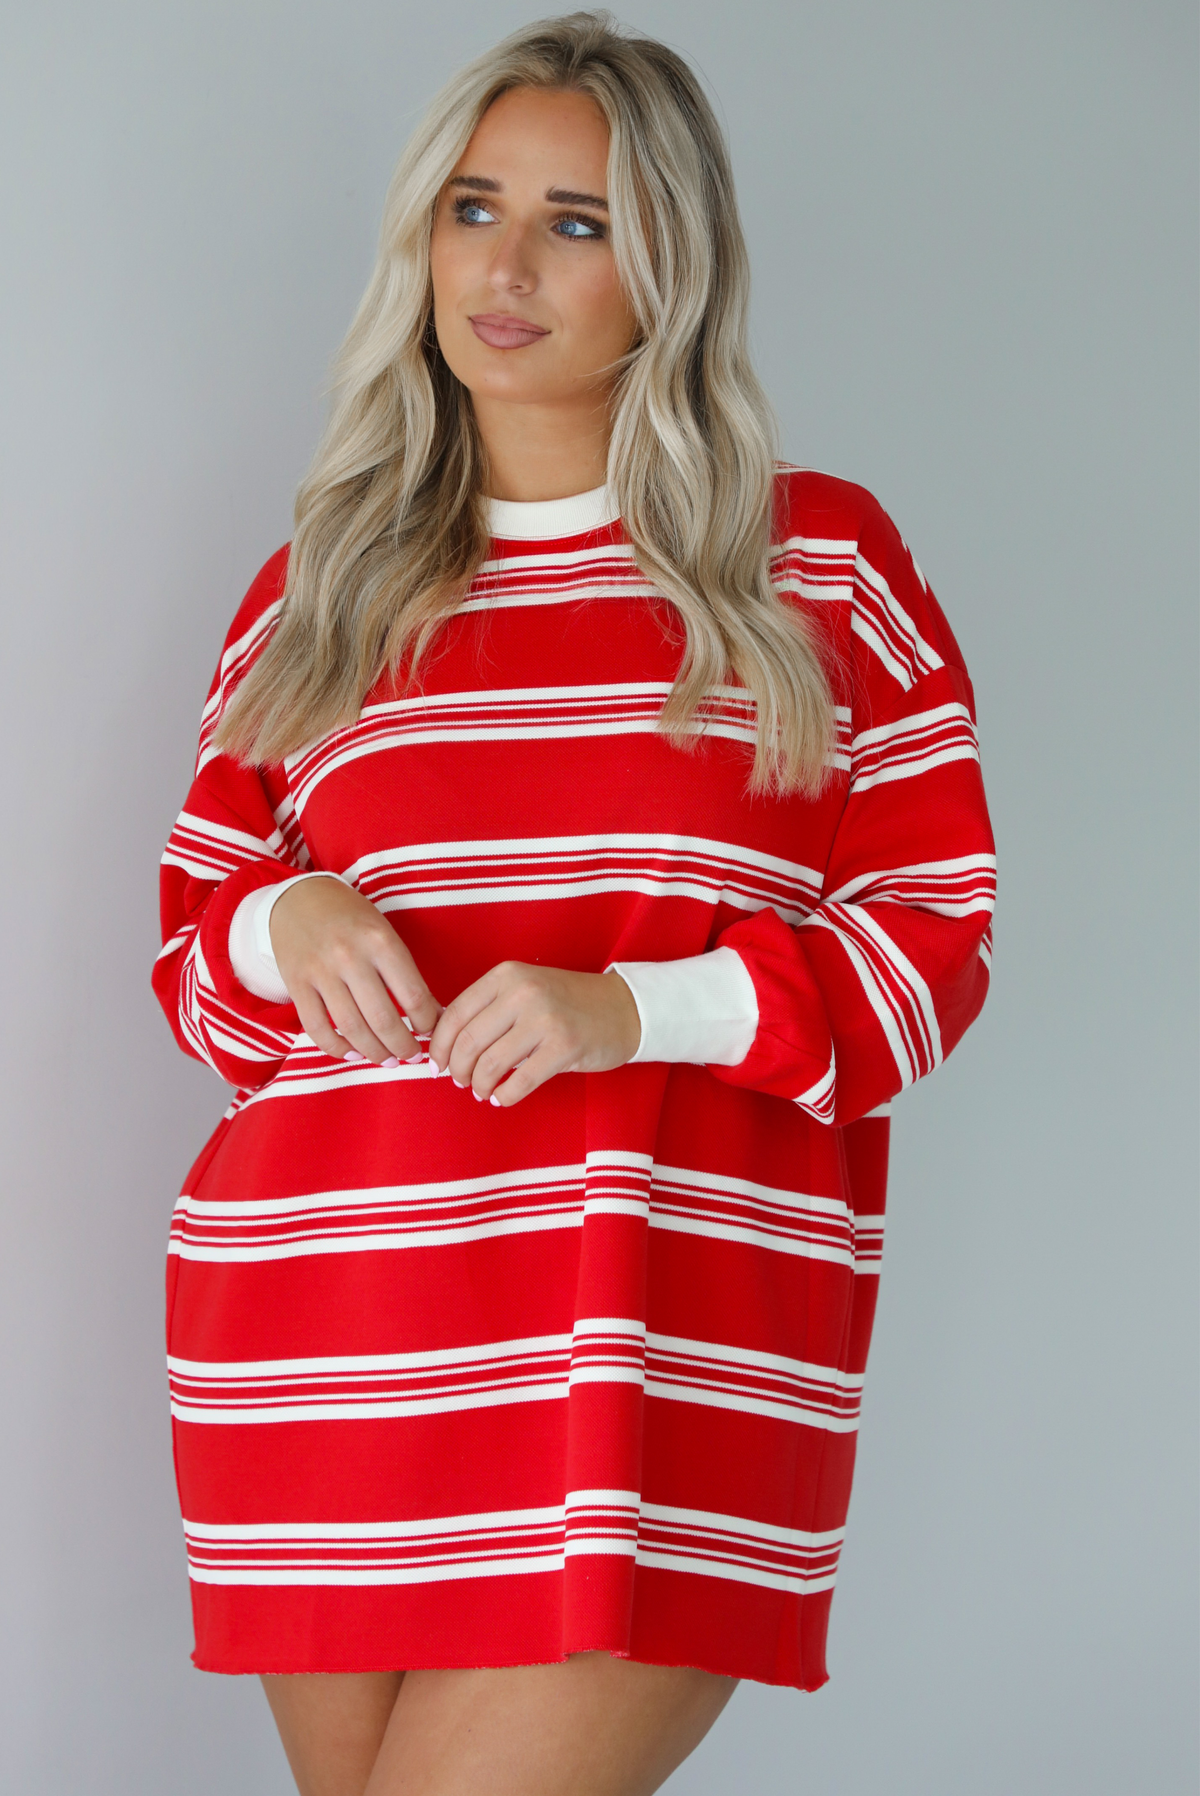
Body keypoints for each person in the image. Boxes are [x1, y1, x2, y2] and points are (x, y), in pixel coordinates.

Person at [152, 12, 996, 1794]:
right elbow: (197, 957)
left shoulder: (815, 565)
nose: (506, 265)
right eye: (473, 209)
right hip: (333, 1340)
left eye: (577, 221)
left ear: (667, 272)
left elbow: (932, 948)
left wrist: (634, 1009)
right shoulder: (327, 587)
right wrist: (280, 925)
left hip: (658, 1347)